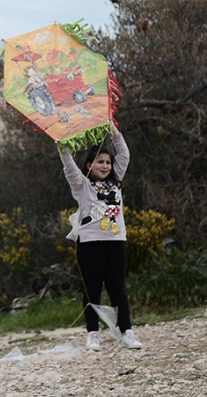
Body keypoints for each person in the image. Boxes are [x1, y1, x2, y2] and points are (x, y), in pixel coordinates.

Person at [60, 123, 143, 351]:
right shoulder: (83, 185)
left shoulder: (116, 181)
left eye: (108, 162)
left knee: (118, 288)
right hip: (89, 244)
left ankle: (127, 333)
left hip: (116, 243)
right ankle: (93, 334)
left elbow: (124, 154)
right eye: (100, 162)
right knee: (92, 289)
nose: (105, 166)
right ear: (89, 165)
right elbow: (69, 168)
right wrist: (62, 147)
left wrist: (114, 129)